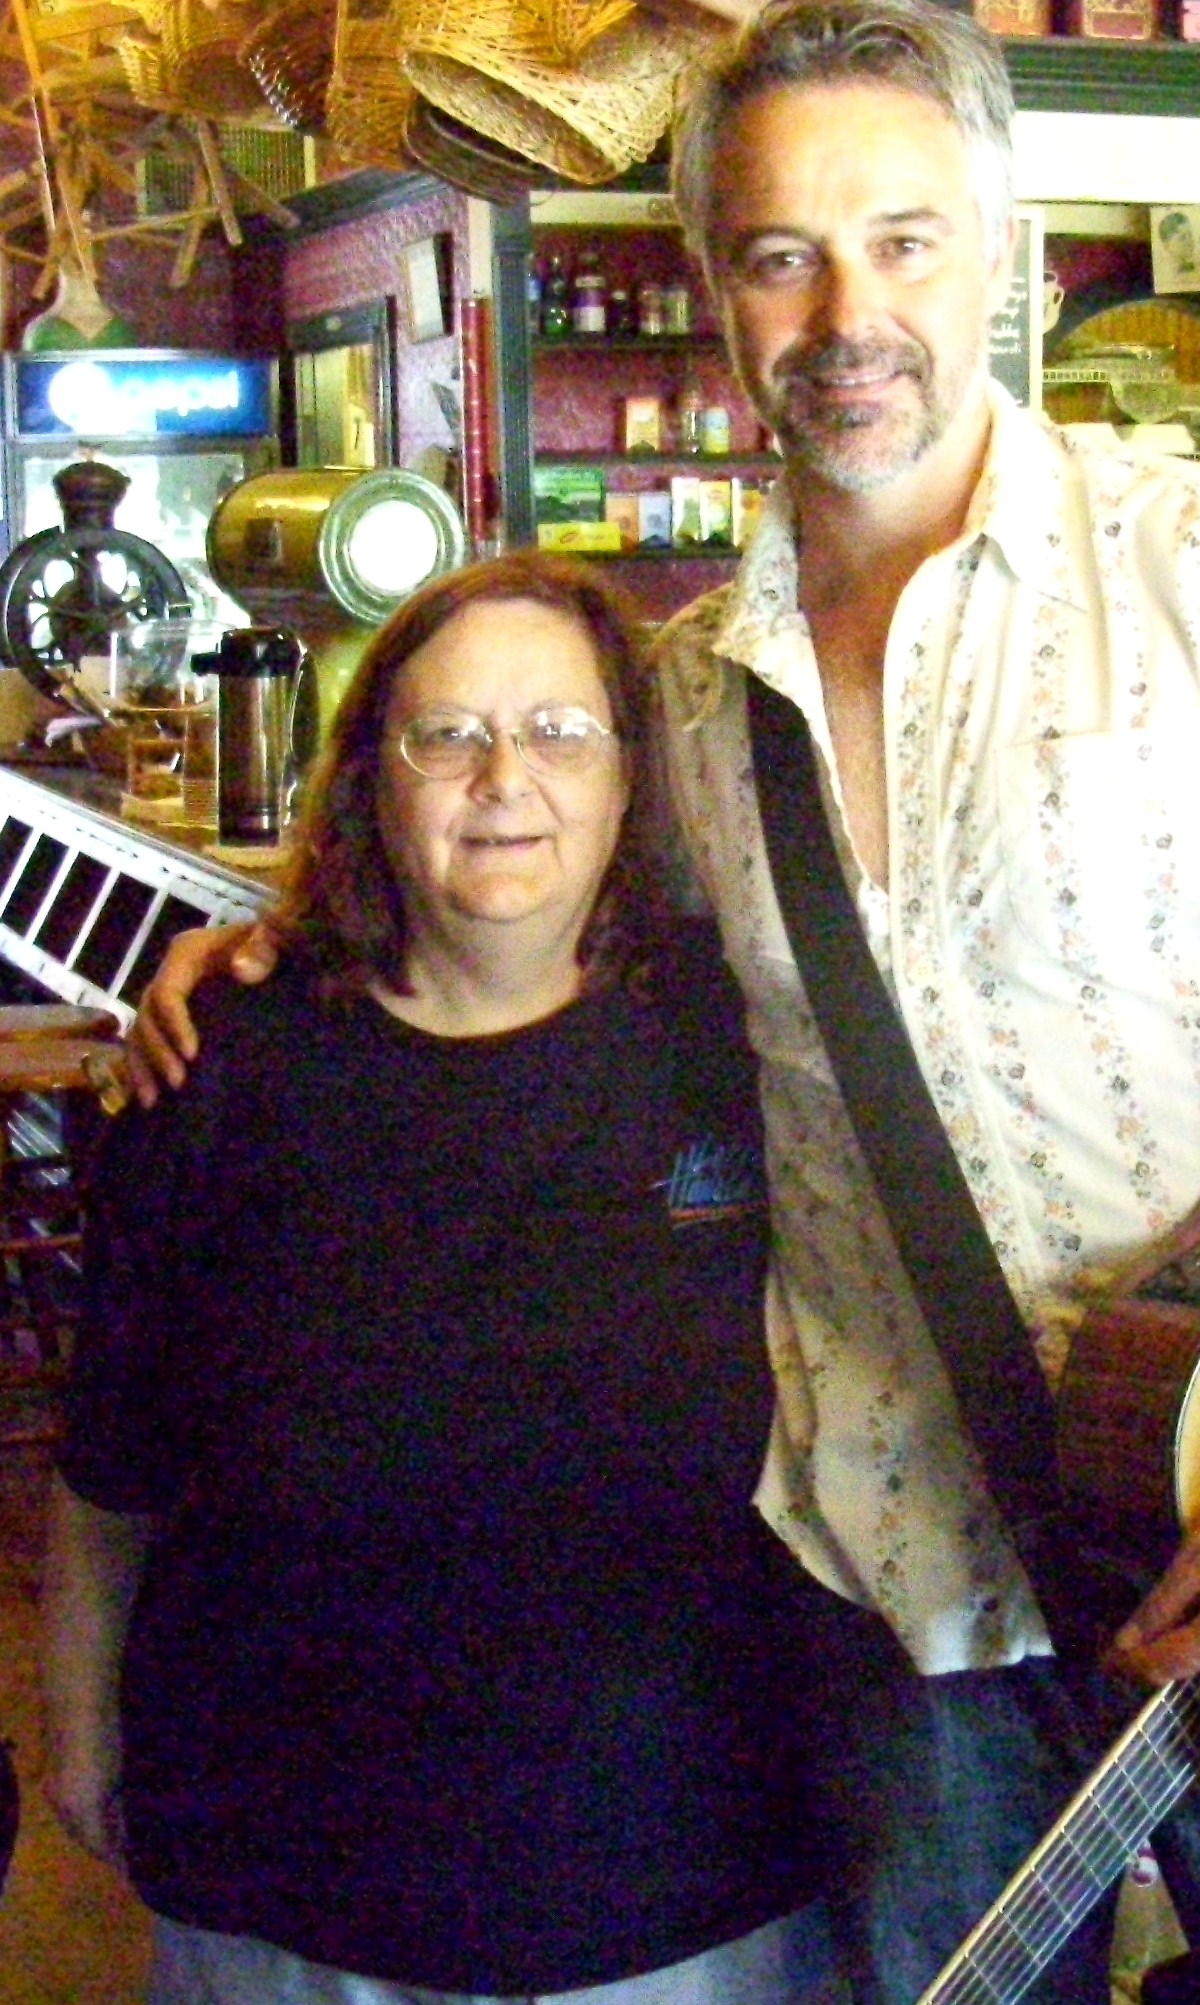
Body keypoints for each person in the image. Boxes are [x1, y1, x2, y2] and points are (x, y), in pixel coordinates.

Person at [129, 5, 1200, 2001]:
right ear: (710, 288)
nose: (846, 310)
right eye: (779, 253)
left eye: (903, 239)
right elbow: (484, 875)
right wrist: (261, 933)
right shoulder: (679, 707)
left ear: (998, 242)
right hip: (905, 1616)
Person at [43, 551, 844, 2005]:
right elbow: (112, 1459)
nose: (504, 779)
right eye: (447, 734)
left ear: (629, 783)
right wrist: (83, 1726)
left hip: (673, 1887)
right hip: (291, 1887)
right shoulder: (225, 1055)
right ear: (371, 781)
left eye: (559, 732)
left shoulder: (745, 1036)